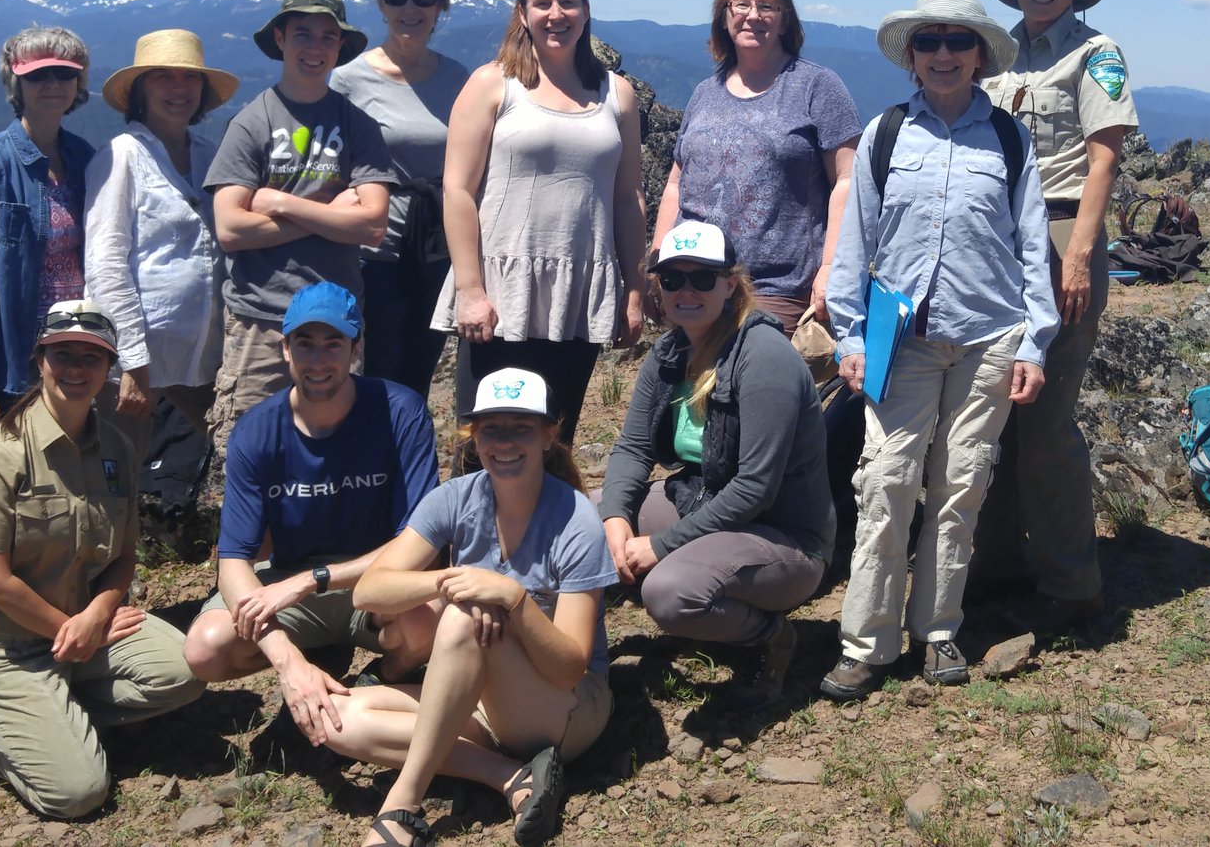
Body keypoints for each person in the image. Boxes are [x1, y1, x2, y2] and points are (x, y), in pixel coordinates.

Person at [817, 0, 1056, 700]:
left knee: (962, 485)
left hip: (990, 336)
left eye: (959, 41)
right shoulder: (886, 135)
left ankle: (939, 630)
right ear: (912, 57)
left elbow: (1033, 247)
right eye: (930, 42)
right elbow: (856, 240)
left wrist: (1034, 344)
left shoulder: (1010, 139)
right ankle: (866, 641)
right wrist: (850, 335)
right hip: (903, 339)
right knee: (886, 479)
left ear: (981, 55)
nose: (944, 54)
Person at [327, 369, 616, 847]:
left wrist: (513, 600)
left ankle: (402, 804)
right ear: (473, 438)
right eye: (491, 429)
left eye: (520, 428)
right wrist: (450, 582)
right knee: (338, 719)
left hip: (564, 710)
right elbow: (368, 592)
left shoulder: (577, 521)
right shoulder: (455, 499)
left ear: (548, 436)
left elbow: (570, 668)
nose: (504, 443)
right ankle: (508, 776)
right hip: (481, 697)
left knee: (464, 619)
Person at [0, 299, 203, 819]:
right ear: (40, 361)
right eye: (63, 354)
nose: (76, 369)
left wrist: (96, 615)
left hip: (84, 628)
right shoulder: (0, 453)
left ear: (109, 369)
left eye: (92, 358)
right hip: (6, 645)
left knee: (186, 670)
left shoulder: (115, 448)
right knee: (79, 792)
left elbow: (125, 555)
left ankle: (50, 718)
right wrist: (74, 629)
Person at [181, 282, 444, 737]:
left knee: (430, 621)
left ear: (355, 349)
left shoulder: (400, 410)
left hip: (376, 579)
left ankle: (385, 678)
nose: (319, 360)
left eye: (333, 344)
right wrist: (286, 661)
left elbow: (418, 540)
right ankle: (313, 660)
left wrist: (312, 582)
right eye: (305, 343)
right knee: (207, 648)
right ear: (285, 349)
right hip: (288, 579)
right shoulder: (257, 430)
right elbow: (233, 561)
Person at [973, 0, 1137, 632]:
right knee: (995, 408)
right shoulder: (996, 55)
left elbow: (1105, 157)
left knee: (1045, 421)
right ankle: (1000, 564)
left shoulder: (1096, 54)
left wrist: (1078, 253)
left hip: (1065, 225)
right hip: (998, 233)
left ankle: (1073, 582)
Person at [599, 221, 832, 708]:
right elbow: (633, 448)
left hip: (782, 535)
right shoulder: (669, 354)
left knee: (668, 592)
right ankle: (579, 656)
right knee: (581, 522)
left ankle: (772, 638)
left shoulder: (763, 356)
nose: (687, 290)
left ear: (730, 284)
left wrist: (660, 546)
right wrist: (616, 518)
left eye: (703, 278)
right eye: (673, 279)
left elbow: (754, 490)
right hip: (701, 499)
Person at [433, 0, 645, 447]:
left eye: (568, 2)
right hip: (501, 293)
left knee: (556, 443)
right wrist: (469, 290)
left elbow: (628, 196)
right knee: (485, 440)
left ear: (586, 11)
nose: (557, 14)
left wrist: (634, 288)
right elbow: (458, 189)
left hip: (579, 291)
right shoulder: (493, 82)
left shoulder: (617, 95)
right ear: (522, 12)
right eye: (543, 3)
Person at [206, 0, 395, 453]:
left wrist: (282, 203)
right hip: (260, 317)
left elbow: (373, 224)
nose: (315, 48)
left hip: (336, 319)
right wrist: (333, 214)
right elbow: (230, 229)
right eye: (303, 34)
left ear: (339, 47)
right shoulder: (251, 123)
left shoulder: (357, 125)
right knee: (249, 451)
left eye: (328, 37)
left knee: (334, 451)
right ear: (280, 39)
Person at [652, 0, 861, 340]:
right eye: (742, 5)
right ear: (724, 15)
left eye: (767, 7)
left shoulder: (817, 87)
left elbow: (848, 182)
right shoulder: (705, 92)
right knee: (689, 396)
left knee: (758, 395)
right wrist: (658, 255)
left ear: (785, 20)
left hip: (775, 290)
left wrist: (831, 269)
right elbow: (676, 181)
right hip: (693, 282)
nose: (753, 16)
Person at [0, 26, 98, 452]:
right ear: (17, 82)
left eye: (63, 74)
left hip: (75, 352)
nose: (51, 83)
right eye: (37, 75)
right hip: (12, 361)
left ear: (78, 83)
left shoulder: (84, 157)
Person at [85, 29, 239, 445]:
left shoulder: (211, 154)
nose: (179, 88)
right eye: (162, 77)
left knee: (237, 452)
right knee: (117, 477)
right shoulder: (121, 156)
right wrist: (133, 360)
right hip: (140, 357)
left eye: (190, 78)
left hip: (208, 354)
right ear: (140, 89)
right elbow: (106, 265)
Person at [334, 0, 474, 395]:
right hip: (372, 253)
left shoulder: (461, 80)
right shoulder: (349, 80)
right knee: (372, 370)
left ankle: (406, 461)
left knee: (417, 370)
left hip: (437, 248)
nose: (409, 8)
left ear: (440, 7)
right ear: (380, 5)